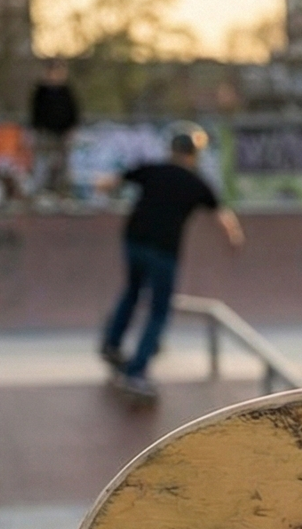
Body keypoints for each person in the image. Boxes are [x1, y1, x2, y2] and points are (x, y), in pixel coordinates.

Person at [98, 126, 243, 397]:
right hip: (164, 250)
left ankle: (112, 344)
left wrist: (100, 186)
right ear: (194, 154)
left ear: (172, 150)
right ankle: (136, 372)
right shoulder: (196, 182)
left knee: (131, 292)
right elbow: (222, 215)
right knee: (159, 310)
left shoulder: (153, 169)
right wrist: (235, 238)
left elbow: (109, 182)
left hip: (134, 241)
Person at [29, 61, 80, 201]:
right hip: (45, 133)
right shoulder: (41, 92)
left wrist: (71, 128)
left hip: (62, 133)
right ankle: (42, 190)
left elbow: (73, 111)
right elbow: (35, 112)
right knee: (44, 162)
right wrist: (37, 129)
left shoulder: (66, 91)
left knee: (62, 163)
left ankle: (61, 191)